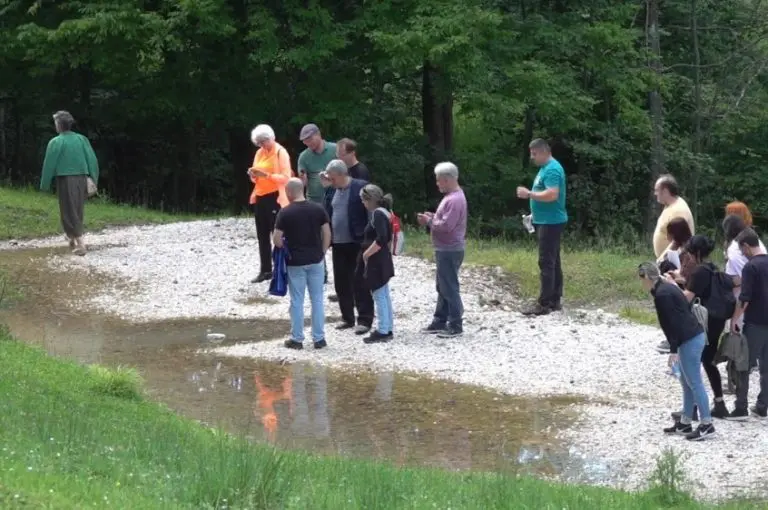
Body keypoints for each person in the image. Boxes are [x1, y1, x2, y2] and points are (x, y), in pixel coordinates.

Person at [638, 261, 716, 441]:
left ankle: (707, 424)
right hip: (690, 336)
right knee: (686, 382)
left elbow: (671, 323)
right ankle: (685, 421)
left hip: (688, 338)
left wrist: (672, 350)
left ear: (649, 278)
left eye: (642, 279)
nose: (642, 283)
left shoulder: (662, 294)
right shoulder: (665, 288)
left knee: (694, 382)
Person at [668, 235, 730, 420]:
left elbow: (686, 298)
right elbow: (698, 289)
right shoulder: (711, 267)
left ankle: (693, 408)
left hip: (703, 321)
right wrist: (681, 281)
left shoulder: (699, 271)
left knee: (691, 363)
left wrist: (671, 285)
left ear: (695, 252)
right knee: (707, 360)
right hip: (715, 319)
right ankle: (719, 403)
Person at [273, 178, 331, 350]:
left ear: (289, 193)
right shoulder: (318, 209)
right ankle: (319, 339)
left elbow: (276, 239)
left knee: (297, 301)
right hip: (316, 260)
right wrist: (322, 252)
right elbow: (327, 233)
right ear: (303, 189)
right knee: (317, 300)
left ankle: (297, 339)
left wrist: (285, 248)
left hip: (295, 262)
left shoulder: (285, 212)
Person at [516, 138, 568, 316]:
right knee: (554, 260)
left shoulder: (552, 169)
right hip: (545, 219)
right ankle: (555, 299)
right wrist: (534, 214)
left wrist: (529, 194)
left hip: (551, 222)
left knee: (546, 261)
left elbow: (552, 195)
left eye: (534, 153)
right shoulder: (545, 169)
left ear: (544, 152)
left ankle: (544, 303)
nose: (532, 157)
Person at [417, 162, 467, 338]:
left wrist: (429, 222)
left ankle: (455, 324)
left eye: (439, 181)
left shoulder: (454, 199)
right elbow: (444, 220)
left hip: (449, 249)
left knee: (449, 287)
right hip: (445, 248)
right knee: (442, 285)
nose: (437, 184)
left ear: (447, 180)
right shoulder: (452, 197)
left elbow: (447, 226)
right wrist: (434, 217)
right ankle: (440, 320)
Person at [39, 110, 99, 256]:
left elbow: (49, 164)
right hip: (82, 178)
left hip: (66, 179)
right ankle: (71, 238)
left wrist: (44, 184)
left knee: (68, 210)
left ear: (59, 125)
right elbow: (92, 160)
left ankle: (81, 243)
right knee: (77, 208)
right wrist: (94, 178)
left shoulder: (56, 142)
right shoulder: (82, 139)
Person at [324, 159, 374, 334]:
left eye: (332, 178)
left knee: (360, 281)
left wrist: (369, 239)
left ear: (340, 174)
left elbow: (371, 213)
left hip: (357, 241)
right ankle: (347, 318)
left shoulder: (361, 187)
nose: (330, 181)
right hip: (338, 243)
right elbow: (327, 213)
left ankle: (365, 319)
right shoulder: (331, 190)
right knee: (341, 282)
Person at [729, 228, 768, 420]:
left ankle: (740, 407)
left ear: (746, 246)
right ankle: (762, 406)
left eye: (741, 249)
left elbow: (745, 299)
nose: (742, 253)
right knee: (766, 368)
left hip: (756, 323)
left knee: (744, 364)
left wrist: (734, 320)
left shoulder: (751, 267)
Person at [248, 124, 292, 284]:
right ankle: (265, 269)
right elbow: (256, 176)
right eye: (258, 143)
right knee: (261, 235)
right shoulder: (259, 153)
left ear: (270, 138)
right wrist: (253, 175)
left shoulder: (281, 152)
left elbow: (286, 177)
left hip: (275, 196)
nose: (261, 145)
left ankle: (281, 268)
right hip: (260, 196)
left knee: (278, 234)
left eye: (263, 141)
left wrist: (266, 175)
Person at [298, 123, 337, 285]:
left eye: (310, 139)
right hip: (314, 201)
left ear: (318, 135)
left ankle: (344, 275)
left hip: (336, 199)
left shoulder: (335, 149)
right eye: (305, 142)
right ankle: (323, 273)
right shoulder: (304, 156)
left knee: (339, 237)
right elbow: (302, 179)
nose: (309, 144)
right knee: (317, 238)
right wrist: (302, 180)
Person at [359, 184, 395, 343]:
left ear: (369, 200)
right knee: (384, 294)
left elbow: (382, 238)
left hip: (376, 259)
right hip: (383, 258)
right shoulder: (386, 212)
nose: (363, 203)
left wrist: (367, 254)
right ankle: (387, 327)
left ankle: (382, 330)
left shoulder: (378, 214)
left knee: (379, 295)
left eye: (363, 200)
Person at [652, 174, 695, 259]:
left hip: (676, 261)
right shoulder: (669, 205)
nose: (655, 193)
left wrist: (662, 260)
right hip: (669, 261)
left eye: (657, 190)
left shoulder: (678, 210)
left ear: (665, 191)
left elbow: (678, 242)